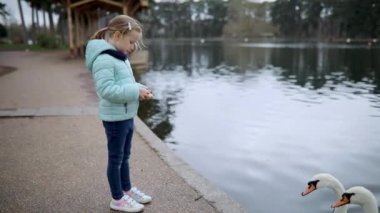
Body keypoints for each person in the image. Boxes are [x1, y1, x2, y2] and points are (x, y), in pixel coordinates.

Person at [85, 15, 153, 212]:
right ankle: (117, 199)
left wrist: (140, 88)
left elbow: (126, 85)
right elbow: (106, 90)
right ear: (116, 35)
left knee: (125, 157)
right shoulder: (104, 59)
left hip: (126, 115)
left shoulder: (119, 57)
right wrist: (135, 91)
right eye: (131, 41)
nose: (133, 46)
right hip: (115, 119)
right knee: (116, 159)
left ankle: (126, 189)